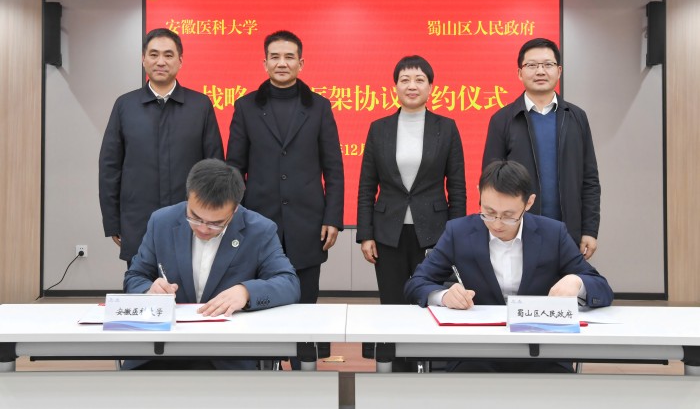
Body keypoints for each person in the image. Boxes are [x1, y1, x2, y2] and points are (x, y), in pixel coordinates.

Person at [405, 160, 613, 373]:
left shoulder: (553, 233)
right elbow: (416, 283)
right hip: (477, 351)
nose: (496, 224)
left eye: (508, 216)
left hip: (541, 351)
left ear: (529, 202)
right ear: (479, 193)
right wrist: (443, 296)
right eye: (488, 212)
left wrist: (577, 282)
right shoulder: (458, 232)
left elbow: (602, 288)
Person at [123, 159, 301, 370]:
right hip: (162, 350)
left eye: (216, 223)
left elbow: (289, 283)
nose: (203, 228)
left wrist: (246, 292)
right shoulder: (162, 221)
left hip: (227, 355)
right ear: (188, 198)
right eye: (195, 218)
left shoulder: (260, 230)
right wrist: (149, 291)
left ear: (234, 210)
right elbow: (135, 277)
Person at [226, 30, 344, 305]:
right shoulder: (246, 107)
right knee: (260, 300)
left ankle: (305, 338)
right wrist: (235, 216)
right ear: (264, 63)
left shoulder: (319, 107)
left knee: (305, 302)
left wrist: (332, 218)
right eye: (275, 57)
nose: (282, 63)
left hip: (308, 223)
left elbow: (333, 169)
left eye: (289, 57)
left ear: (300, 63)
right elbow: (234, 168)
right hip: (258, 220)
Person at [99, 28, 224, 266]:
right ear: (143, 59)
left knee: (190, 285)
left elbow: (215, 167)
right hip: (138, 221)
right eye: (154, 54)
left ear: (180, 61)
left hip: (192, 221)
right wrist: (112, 221)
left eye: (168, 55)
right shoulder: (125, 106)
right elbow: (110, 168)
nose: (160, 61)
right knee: (141, 284)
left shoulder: (200, 105)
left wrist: (215, 218)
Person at [357, 55, 466, 305]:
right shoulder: (379, 128)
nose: (412, 86)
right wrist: (366, 234)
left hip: (434, 232)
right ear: (395, 86)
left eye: (419, 80)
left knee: (430, 299)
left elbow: (457, 188)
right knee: (392, 302)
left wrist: (455, 235)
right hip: (387, 233)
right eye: (405, 80)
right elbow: (366, 187)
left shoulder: (447, 128)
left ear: (430, 87)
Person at [482, 38, 601, 259]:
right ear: (520, 73)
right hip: (517, 233)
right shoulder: (502, 119)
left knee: (565, 281)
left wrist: (590, 230)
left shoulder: (576, 117)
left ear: (559, 71)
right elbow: (490, 182)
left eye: (547, 65)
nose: (540, 71)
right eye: (531, 65)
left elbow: (590, 179)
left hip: (568, 231)